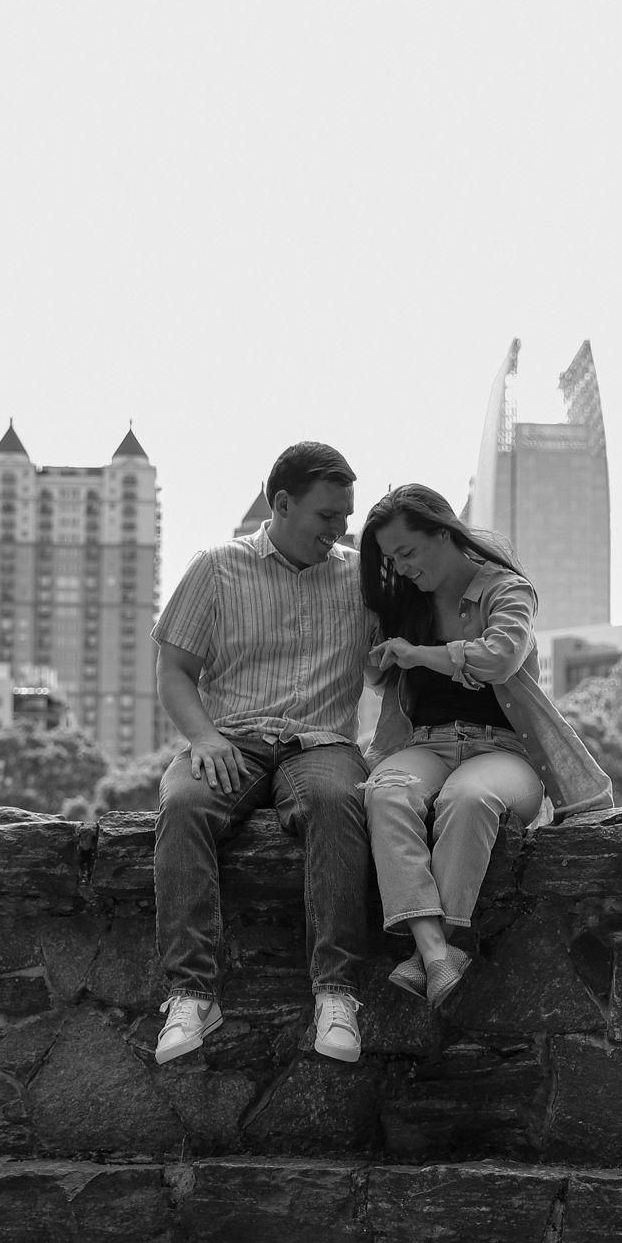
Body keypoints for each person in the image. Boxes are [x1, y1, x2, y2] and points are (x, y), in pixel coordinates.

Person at [151, 441, 374, 1064]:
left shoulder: (363, 577)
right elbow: (174, 670)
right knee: (184, 805)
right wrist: (203, 737)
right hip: (231, 738)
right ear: (281, 504)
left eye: (346, 516)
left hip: (321, 741)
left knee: (338, 803)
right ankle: (191, 996)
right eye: (327, 515)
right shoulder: (215, 567)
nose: (340, 528)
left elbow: (397, 664)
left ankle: (337, 994)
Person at [360, 483, 614, 1006]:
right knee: (386, 793)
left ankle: (430, 950)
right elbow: (377, 676)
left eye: (408, 552)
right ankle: (436, 953)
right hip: (425, 745)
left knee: (470, 798)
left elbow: (499, 658)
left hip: (504, 751)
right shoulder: (405, 602)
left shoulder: (506, 589)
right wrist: (380, 651)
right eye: (392, 559)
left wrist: (420, 654)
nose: (402, 568)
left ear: (443, 532)